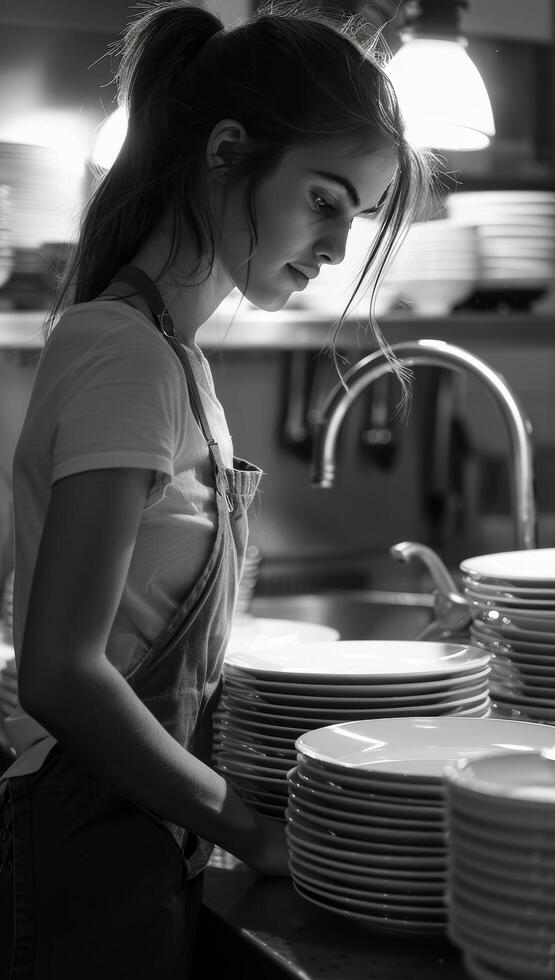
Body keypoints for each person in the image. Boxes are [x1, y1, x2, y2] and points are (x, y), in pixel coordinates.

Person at [0, 1, 434, 977]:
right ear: (227, 151)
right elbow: (61, 670)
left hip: (134, 828)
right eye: (325, 199)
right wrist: (249, 824)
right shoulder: (126, 356)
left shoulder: (173, 354)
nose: (334, 249)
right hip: (83, 837)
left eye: (353, 217)